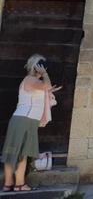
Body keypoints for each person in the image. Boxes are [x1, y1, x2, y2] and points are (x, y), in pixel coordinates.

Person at [2, 54, 61, 192]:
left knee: (13, 152)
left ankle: (8, 184)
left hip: (22, 120)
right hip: (25, 120)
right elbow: (46, 85)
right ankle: (19, 185)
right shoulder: (30, 79)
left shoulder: (31, 81)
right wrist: (45, 75)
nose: (44, 70)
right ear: (37, 67)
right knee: (22, 154)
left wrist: (48, 91)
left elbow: (43, 89)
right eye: (42, 67)